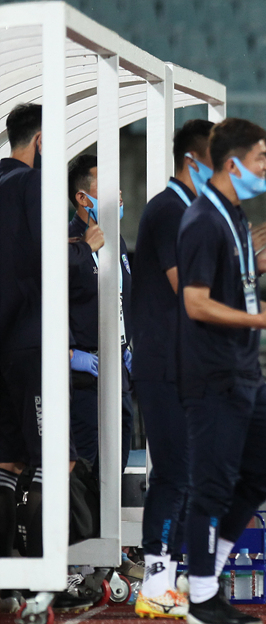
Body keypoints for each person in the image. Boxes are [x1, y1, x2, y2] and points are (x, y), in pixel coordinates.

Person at [177, 118, 266, 624]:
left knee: (262, 472)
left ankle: (205, 579)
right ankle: (200, 594)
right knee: (212, 485)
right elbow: (195, 302)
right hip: (213, 372)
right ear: (234, 164)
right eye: (260, 157)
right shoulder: (202, 220)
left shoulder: (233, 216)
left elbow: (227, 283)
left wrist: (262, 267)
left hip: (242, 370)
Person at [129, 119, 219, 619]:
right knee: (174, 473)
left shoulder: (192, 212)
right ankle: (155, 580)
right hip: (163, 363)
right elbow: (188, 289)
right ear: (192, 161)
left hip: (185, 365)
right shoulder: (168, 210)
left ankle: (177, 576)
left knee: (190, 474)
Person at [0, 104, 93, 562]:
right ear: (40, 140)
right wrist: (84, 251)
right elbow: (48, 259)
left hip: (4, 344)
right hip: (32, 340)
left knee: (7, 461)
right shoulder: (34, 184)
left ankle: (7, 578)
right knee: (57, 458)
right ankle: (49, 573)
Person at [65, 154, 134, 473]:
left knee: (118, 457)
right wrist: (68, 354)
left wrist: (128, 344)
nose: (117, 193)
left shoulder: (115, 239)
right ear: (83, 198)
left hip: (118, 365)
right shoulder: (66, 244)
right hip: (83, 374)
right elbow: (42, 303)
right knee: (87, 466)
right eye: (106, 186)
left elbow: (123, 297)